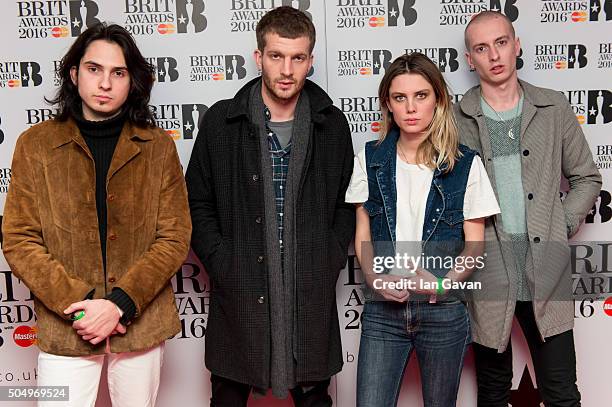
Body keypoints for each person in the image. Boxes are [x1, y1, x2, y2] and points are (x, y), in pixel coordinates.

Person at [2, 23, 191, 407]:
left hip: (139, 324)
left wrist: (120, 303)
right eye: (94, 69)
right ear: (74, 74)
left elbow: (174, 237)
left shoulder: (157, 147)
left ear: (132, 81)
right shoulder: (35, 145)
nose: (105, 82)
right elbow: (19, 238)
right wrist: (84, 305)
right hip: (67, 324)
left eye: (118, 72)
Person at [185, 6, 355, 406]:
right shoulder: (221, 122)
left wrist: (328, 256)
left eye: (298, 58)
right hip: (240, 289)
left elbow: (347, 203)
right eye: (276, 56)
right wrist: (223, 261)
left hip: (307, 289)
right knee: (227, 396)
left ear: (310, 62)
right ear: (258, 56)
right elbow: (196, 202)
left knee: (314, 397)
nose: (286, 69)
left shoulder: (331, 124)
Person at [455, 11, 602, 407]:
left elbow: (587, 179)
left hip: (546, 267)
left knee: (562, 393)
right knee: (492, 393)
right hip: (489, 272)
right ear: (470, 60)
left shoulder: (552, 108)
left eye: (501, 42)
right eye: (481, 48)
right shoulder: (456, 119)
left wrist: (562, 221)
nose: (494, 56)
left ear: (517, 45)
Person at [347, 52, 500, 407]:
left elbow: (475, 245)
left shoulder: (465, 164)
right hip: (383, 310)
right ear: (388, 103)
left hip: (442, 310)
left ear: (438, 99)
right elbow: (363, 236)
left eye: (421, 96)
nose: (411, 108)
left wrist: (443, 283)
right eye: (400, 98)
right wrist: (375, 279)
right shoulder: (368, 159)